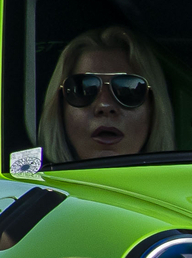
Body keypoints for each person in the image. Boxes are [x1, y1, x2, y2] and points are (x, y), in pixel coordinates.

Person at [36, 25, 176, 162]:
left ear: (154, 108)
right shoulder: (25, 185)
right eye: (84, 90)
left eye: (128, 90)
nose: (105, 105)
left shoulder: (180, 185)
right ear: (60, 108)